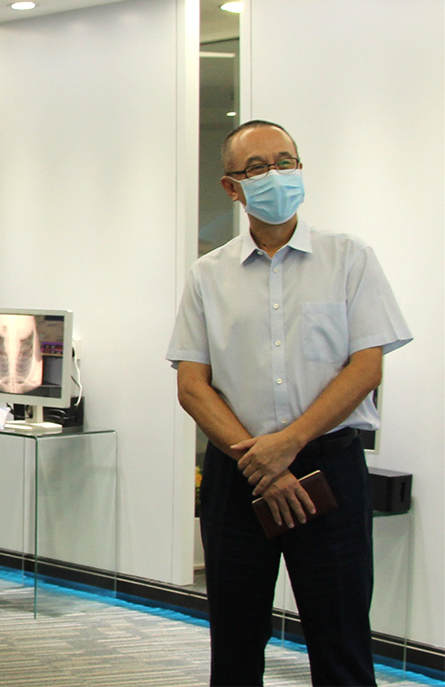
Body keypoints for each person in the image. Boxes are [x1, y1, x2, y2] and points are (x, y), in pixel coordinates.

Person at [167, 120, 412, 686]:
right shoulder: (209, 275)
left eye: (285, 161)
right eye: (257, 167)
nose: (274, 175)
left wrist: (289, 444)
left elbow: (366, 368)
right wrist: (263, 461)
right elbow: (192, 385)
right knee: (235, 641)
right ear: (232, 187)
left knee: (341, 639)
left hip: (329, 468)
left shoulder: (348, 258)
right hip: (239, 473)